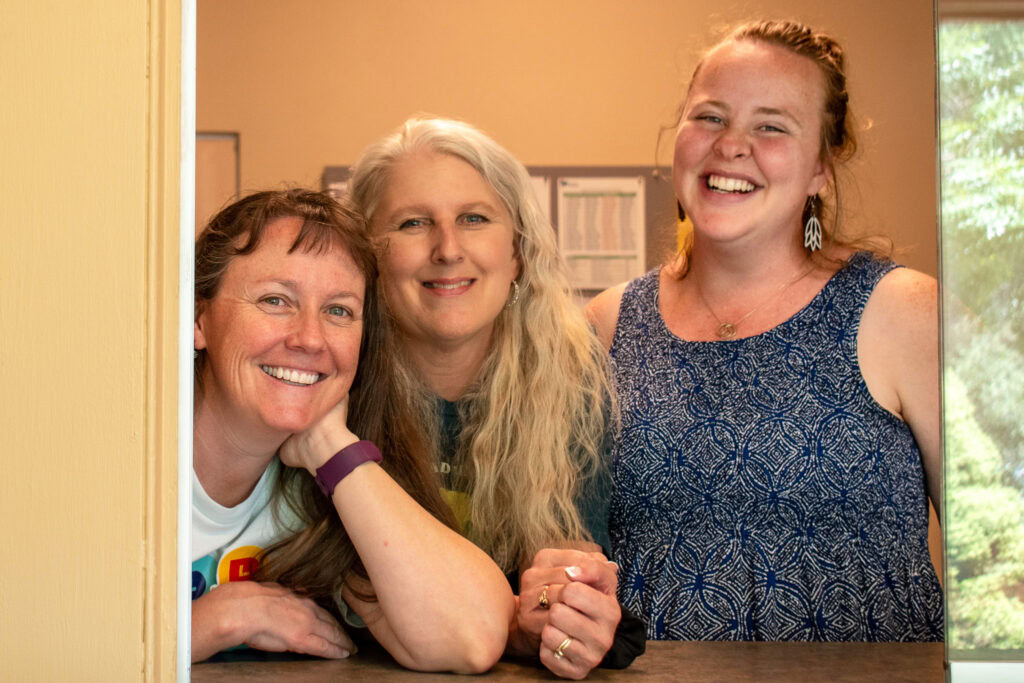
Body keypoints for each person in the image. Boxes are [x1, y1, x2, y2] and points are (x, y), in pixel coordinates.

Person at [588, 20, 943, 641]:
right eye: (709, 117)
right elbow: (561, 546)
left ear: (820, 170)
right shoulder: (604, 325)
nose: (730, 146)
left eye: (771, 126)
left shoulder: (904, 311)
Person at [346, 117, 644, 679]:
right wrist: (503, 623)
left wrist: (567, 612)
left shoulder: (571, 382)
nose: (448, 249)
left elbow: (566, 568)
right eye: (413, 223)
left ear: (517, 254)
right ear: (368, 259)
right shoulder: (334, 380)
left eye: (474, 219)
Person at [190, 189, 513, 671]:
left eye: (339, 310)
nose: (310, 339)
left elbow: (472, 637)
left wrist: (332, 449)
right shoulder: (118, 455)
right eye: (276, 300)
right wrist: (211, 623)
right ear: (198, 319)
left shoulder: (324, 488)